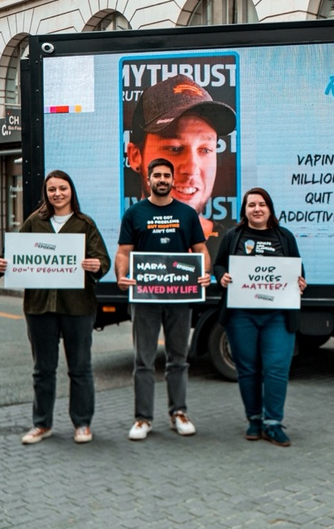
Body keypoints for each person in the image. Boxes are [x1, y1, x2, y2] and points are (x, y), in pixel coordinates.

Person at [115, 157, 211, 441]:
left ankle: (178, 413)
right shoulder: (134, 213)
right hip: (144, 299)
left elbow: (201, 250)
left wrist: (204, 271)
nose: (162, 179)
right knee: (143, 360)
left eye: (166, 175)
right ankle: (143, 418)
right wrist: (122, 276)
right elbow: (123, 252)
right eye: (157, 175)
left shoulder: (186, 213)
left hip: (179, 298)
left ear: (171, 180)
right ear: (148, 179)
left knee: (178, 359)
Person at [16, 170, 110, 445]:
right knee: (42, 369)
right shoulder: (35, 222)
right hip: (39, 306)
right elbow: (17, 255)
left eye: (63, 188)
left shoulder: (84, 224)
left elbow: (101, 260)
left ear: (72, 191)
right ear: (46, 193)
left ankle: (82, 424)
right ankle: (41, 424)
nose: (57, 194)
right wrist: (4, 264)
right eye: (52, 189)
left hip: (78, 306)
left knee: (80, 367)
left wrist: (97, 266)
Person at [213, 187, 306, 446]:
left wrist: (300, 282)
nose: (257, 209)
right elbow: (218, 264)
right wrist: (222, 276)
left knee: (277, 368)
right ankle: (254, 419)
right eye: (251, 204)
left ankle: (273, 423)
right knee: (248, 369)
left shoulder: (284, 236)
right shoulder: (233, 236)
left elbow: (298, 269)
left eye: (262, 204)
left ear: (270, 209)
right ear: (244, 210)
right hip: (241, 315)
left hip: (278, 315)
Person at [125, 73, 237, 253]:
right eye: (174, 148)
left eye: (205, 150)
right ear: (135, 156)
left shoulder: (237, 244)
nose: (191, 169)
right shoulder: (116, 238)